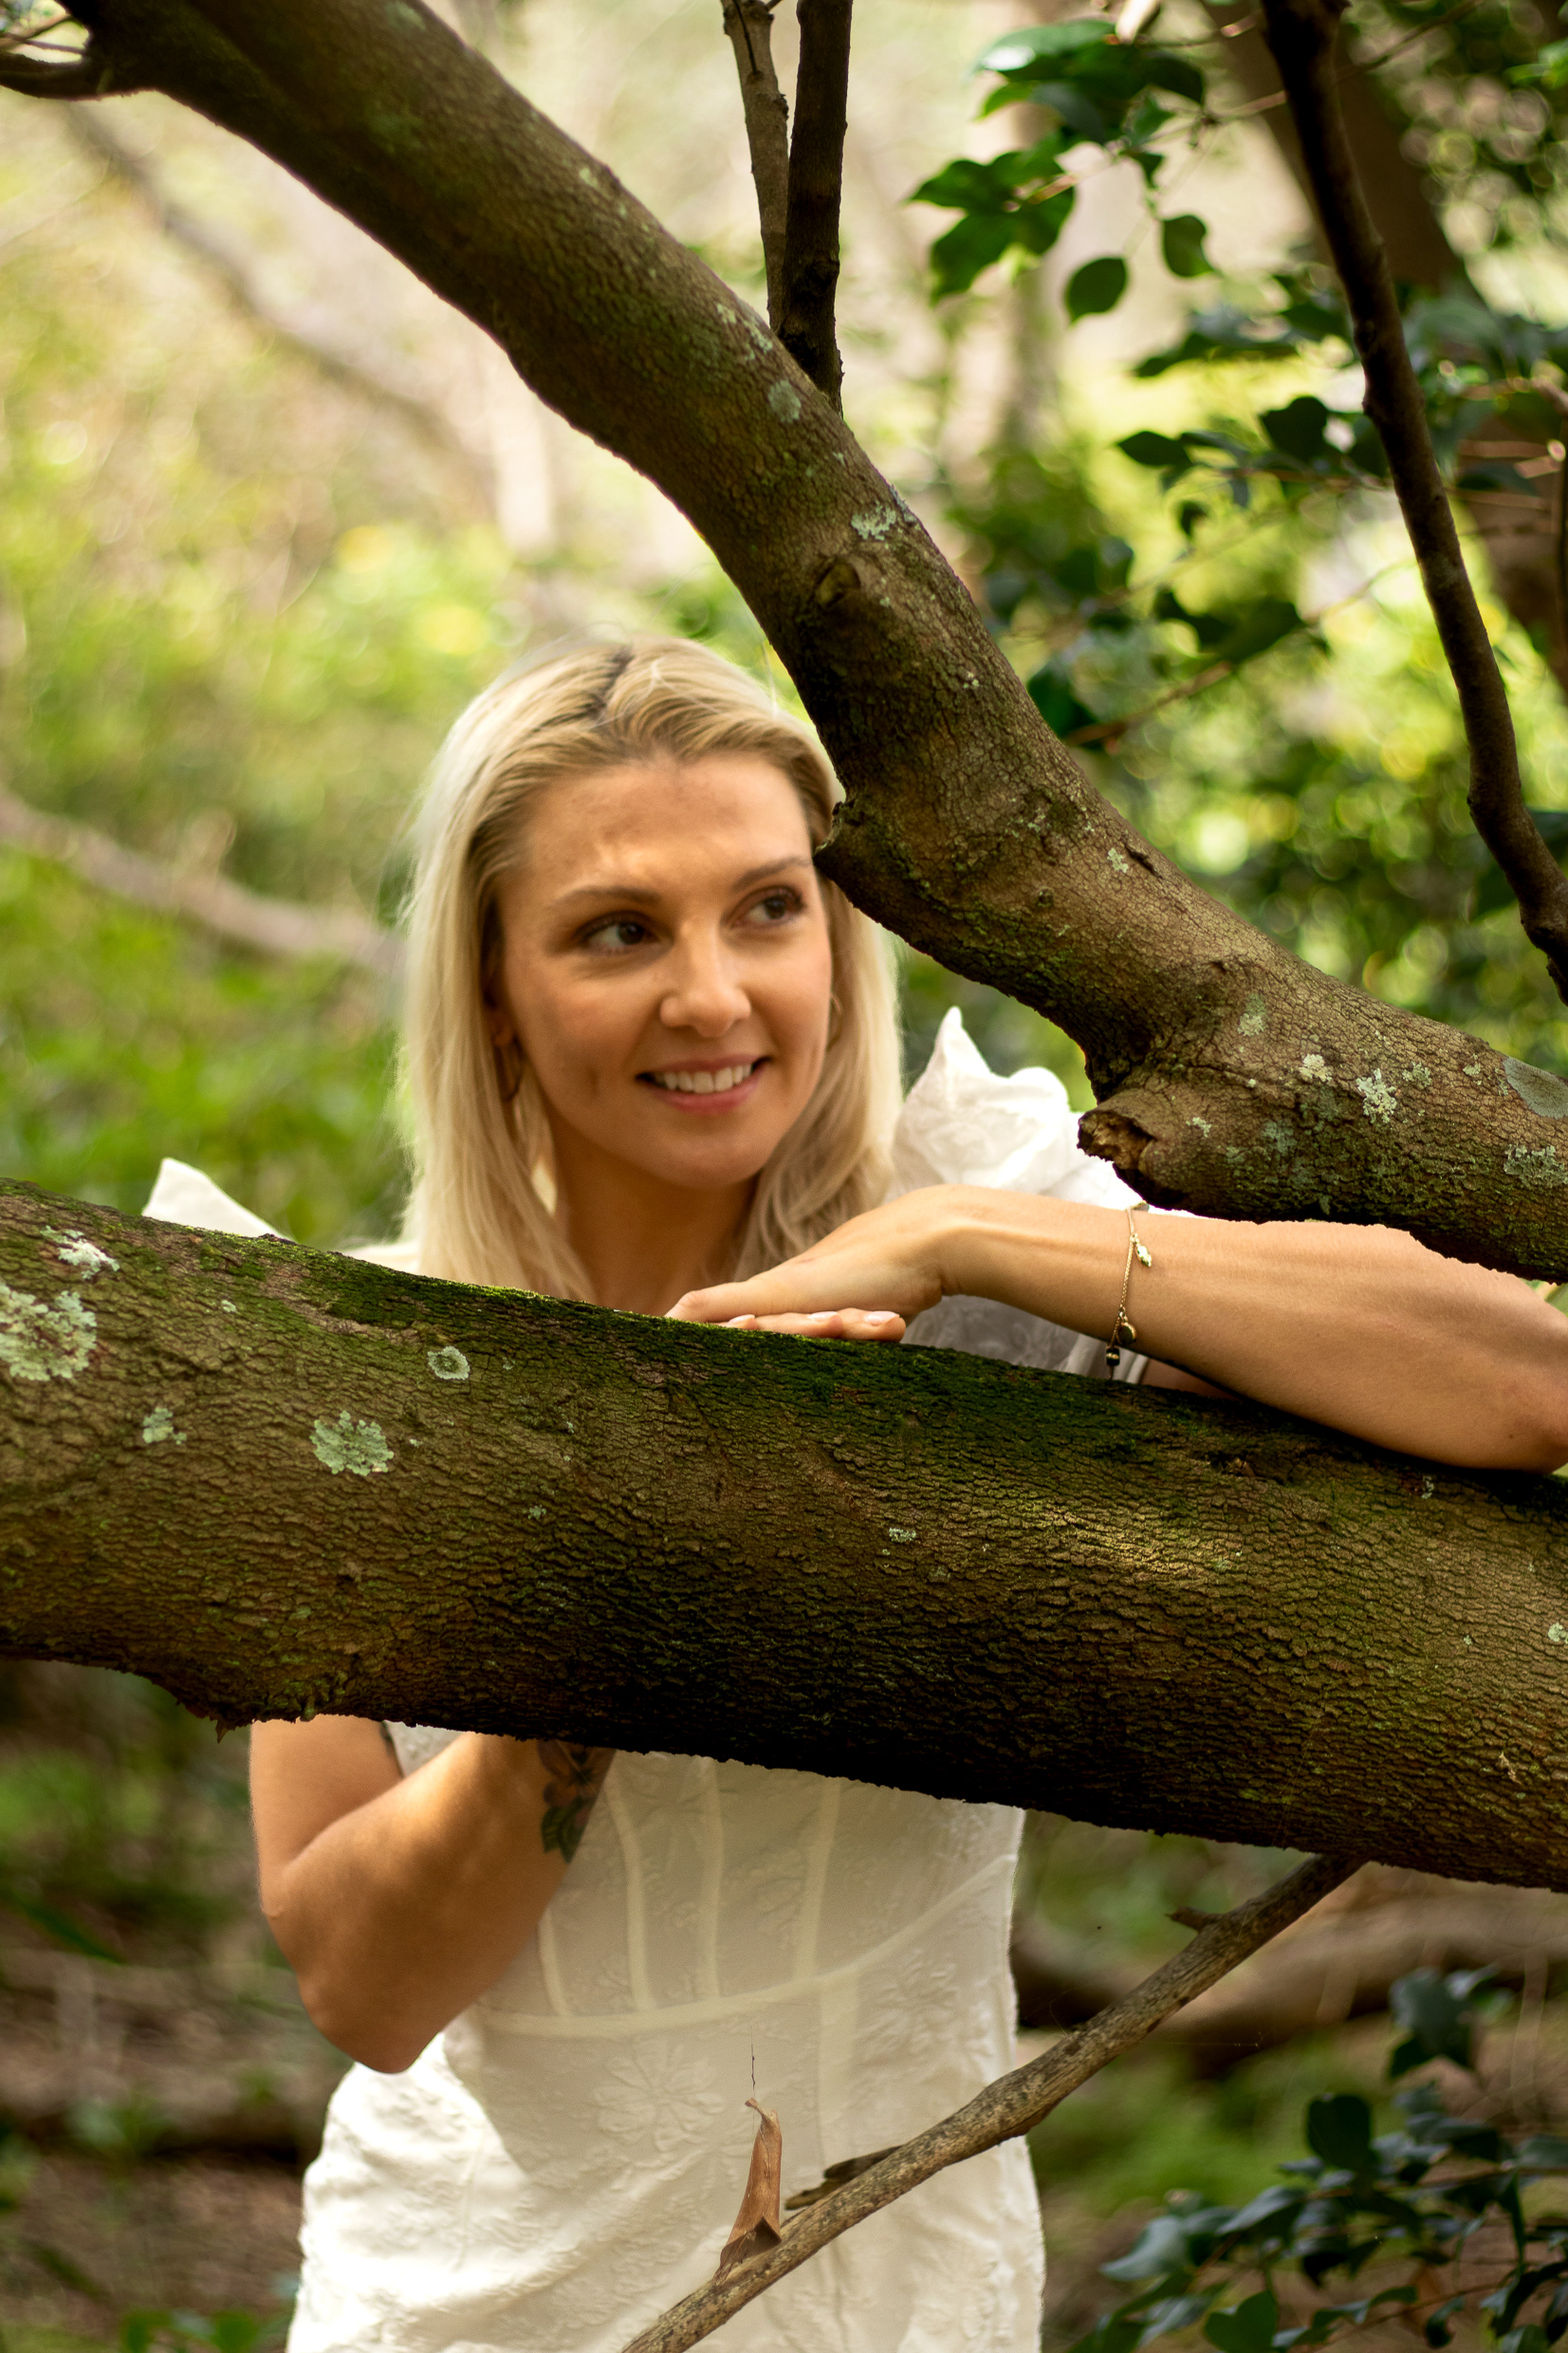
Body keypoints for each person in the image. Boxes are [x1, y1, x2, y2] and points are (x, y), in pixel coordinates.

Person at [157, 639, 1567, 2353]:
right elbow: (365, 1989)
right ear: (492, 986)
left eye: (767, 909)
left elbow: (1522, 1377)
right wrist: (606, 1619)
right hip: (477, 2296)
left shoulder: (978, 1266)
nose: (712, 997)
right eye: (618, 931)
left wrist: (963, 1237)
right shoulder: (362, 1368)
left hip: (897, 2274)